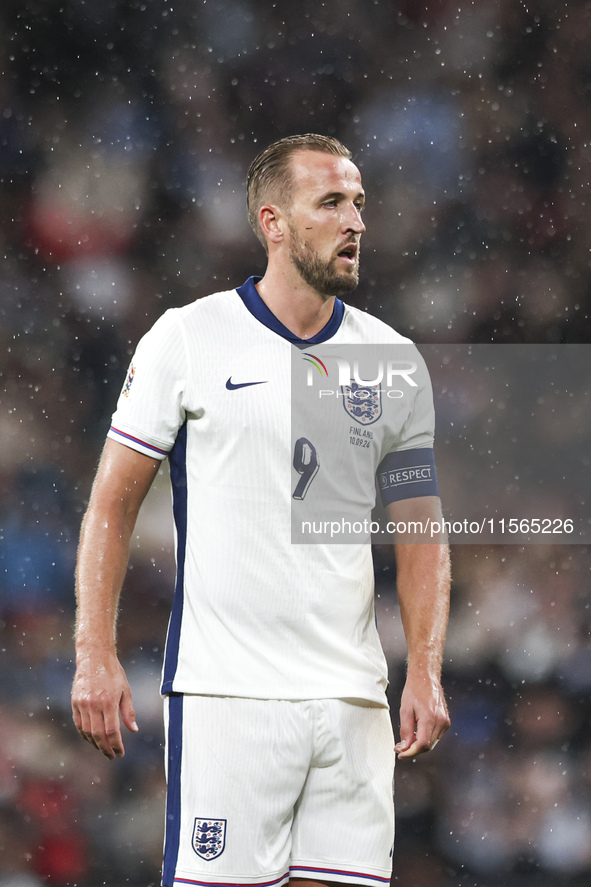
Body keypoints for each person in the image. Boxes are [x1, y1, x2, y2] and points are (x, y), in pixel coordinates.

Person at [71, 133, 451, 887]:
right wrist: (94, 652)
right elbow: (111, 506)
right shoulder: (189, 337)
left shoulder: (391, 359)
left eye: (360, 204)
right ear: (273, 223)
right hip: (228, 695)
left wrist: (425, 670)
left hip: (350, 697)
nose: (356, 222)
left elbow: (421, 532)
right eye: (332, 202)